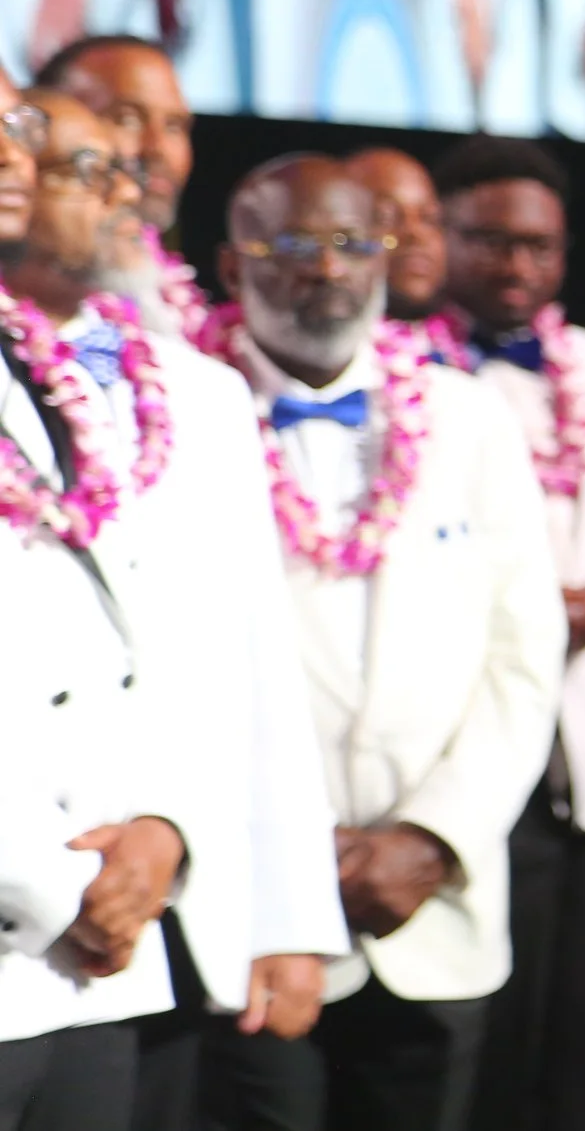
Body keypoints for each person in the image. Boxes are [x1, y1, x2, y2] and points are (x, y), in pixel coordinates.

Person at [201, 157, 565, 1131]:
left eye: (353, 242)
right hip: (249, 913)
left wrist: (433, 838)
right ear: (234, 266)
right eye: (295, 242)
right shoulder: (186, 414)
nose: (329, 268)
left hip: (429, 905)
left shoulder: (468, 417)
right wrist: (282, 850)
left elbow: (524, 652)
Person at [12, 92, 349, 1131]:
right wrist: (56, 885)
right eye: (88, 171)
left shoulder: (196, 392)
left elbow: (248, 663)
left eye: (129, 171)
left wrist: (188, 843)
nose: (128, 193)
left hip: (141, 919)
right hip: (46, 897)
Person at [430, 136, 585, 1131]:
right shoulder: (411, 369)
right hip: (459, 723)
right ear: (441, 236)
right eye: (489, 239)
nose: (516, 263)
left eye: (536, 245)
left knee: (580, 1021)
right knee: (479, 1024)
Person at [0, 80, 196, 1131]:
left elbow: (126, 640)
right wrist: (56, 887)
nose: (12, 154)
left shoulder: (46, 367)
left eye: (20, 128)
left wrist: (160, 828)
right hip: (50, 907)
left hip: (86, 958)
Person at [36, 36, 208, 340]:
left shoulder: (179, 307)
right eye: (126, 119)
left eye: (174, 125)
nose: (158, 148)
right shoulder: (29, 308)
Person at [344, 150, 450, 329]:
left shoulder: (467, 341)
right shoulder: (320, 344)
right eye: (386, 217)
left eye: (430, 218)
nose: (415, 234)